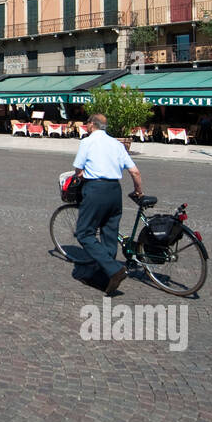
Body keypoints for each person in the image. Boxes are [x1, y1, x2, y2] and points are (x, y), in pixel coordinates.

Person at [70, 112, 145, 295]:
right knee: (109, 232)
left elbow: (78, 170)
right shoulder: (117, 144)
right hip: (114, 191)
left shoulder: (87, 142)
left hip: (95, 190)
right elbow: (135, 171)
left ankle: (113, 269)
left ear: (91, 125)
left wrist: (79, 177)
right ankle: (105, 276)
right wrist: (138, 191)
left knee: (84, 232)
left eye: (87, 123)